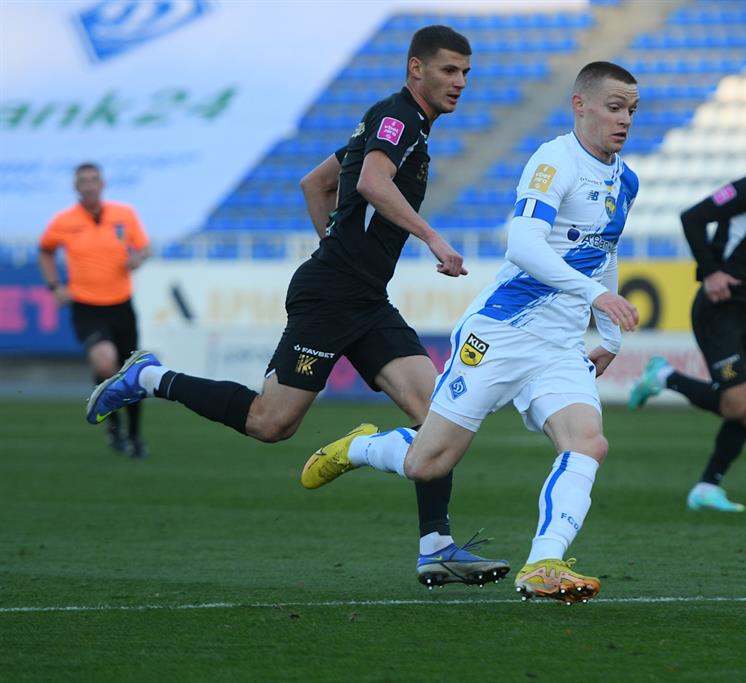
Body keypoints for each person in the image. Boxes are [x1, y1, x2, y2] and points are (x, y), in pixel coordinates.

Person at [84, 26, 509, 587]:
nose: (460, 82)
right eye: (449, 70)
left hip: (362, 296)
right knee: (271, 422)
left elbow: (316, 183)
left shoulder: (402, 127)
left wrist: (337, 246)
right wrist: (430, 238)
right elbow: (373, 182)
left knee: (436, 416)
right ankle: (150, 377)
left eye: (466, 72)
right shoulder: (399, 118)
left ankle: (435, 547)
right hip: (332, 295)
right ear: (416, 69)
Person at [303, 61, 641, 604]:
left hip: (558, 347)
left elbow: (605, 254)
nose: (624, 119)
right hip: (502, 331)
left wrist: (611, 336)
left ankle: (544, 563)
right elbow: (523, 246)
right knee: (427, 462)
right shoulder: (555, 161)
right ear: (580, 105)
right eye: (615, 107)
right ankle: (359, 447)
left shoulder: (626, 180)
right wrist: (595, 297)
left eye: (631, 110)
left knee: (588, 442)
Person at [628, 118, 746, 512]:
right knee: (737, 404)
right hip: (718, 310)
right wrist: (711, 272)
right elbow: (692, 217)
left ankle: (706, 487)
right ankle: (663, 376)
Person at [40, 162, 151, 458]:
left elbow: (144, 247)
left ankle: (134, 435)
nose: (89, 185)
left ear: (102, 184)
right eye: (83, 181)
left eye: (93, 180)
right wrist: (54, 285)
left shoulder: (124, 214)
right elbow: (45, 250)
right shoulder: (64, 221)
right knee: (105, 362)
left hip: (121, 304)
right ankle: (113, 424)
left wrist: (138, 258)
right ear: (76, 187)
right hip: (86, 306)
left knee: (130, 372)